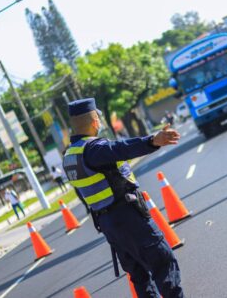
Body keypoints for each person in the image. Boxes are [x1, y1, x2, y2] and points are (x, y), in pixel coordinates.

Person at [63, 98, 184, 297]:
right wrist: (152, 140)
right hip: (129, 217)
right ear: (94, 120)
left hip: (109, 225)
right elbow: (121, 148)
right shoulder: (93, 149)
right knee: (163, 264)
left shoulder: (69, 156)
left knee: (139, 276)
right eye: (99, 117)